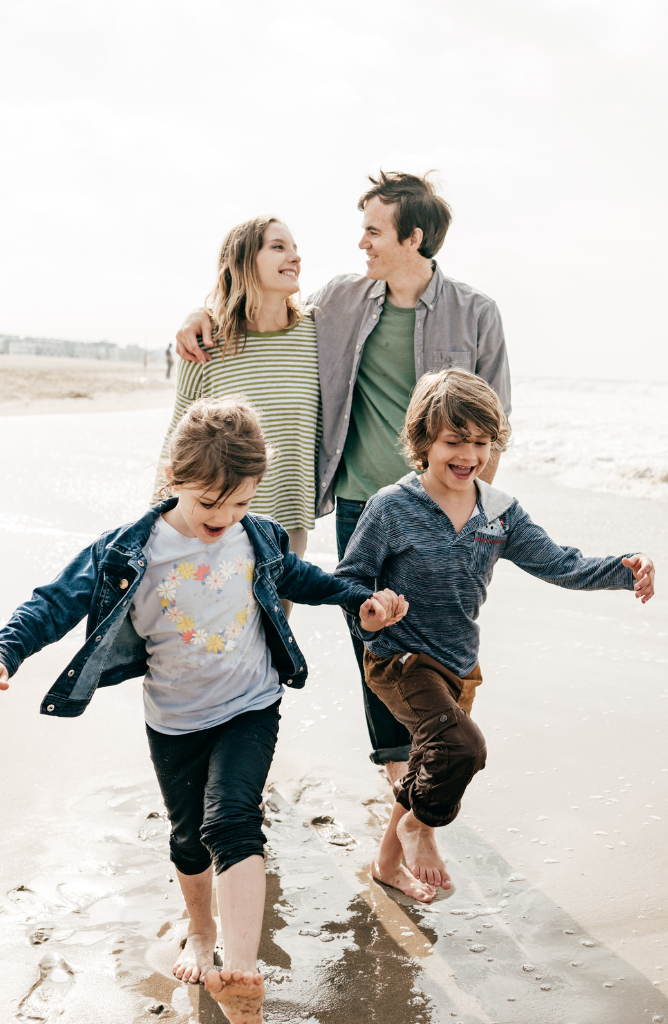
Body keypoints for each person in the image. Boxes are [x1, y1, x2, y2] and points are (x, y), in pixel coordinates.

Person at [0, 398, 409, 1024]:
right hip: (175, 718)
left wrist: (361, 601)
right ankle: (200, 928)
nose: (224, 517)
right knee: (189, 839)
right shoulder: (128, 550)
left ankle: (240, 970)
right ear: (174, 478)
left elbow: (307, 580)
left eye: (240, 502)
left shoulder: (258, 537)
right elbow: (52, 603)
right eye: (209, 502)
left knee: (233, 820)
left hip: (251, 704)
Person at [175, 172, 512, 790]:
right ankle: (399, 771)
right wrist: (200, 313)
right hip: (362, 503)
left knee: (441, 637)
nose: (361, 243)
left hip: (441, 505)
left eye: (373, 231)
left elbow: (497, 421)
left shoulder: (476, 313)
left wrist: (473, 514)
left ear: (413, 238)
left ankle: (438, 757)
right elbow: (262, 310)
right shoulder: (340, 301)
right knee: (373, 636)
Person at [334, 369, 656, 901]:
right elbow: (349, 579)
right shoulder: (392, 506)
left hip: (459, 662)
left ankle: (386, 863)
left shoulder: (499, 514)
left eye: (481, 443)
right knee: (462, 748)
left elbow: (560, 563)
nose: (469, 456)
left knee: (432, 759)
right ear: (423, 441)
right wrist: (368, 616)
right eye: (454, 441)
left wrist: (625, 568)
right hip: (398, 657)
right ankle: (419, 828)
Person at [158, 216, 319, 618]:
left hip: (288, 522)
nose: (295, 257)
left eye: (295, 248)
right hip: (216, 518)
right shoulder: (206, 342)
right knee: (207, 634)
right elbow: (178, 437)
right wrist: (157, 523)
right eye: (278, 246)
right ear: (244, 260)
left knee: (271, 639)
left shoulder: (317, 333)